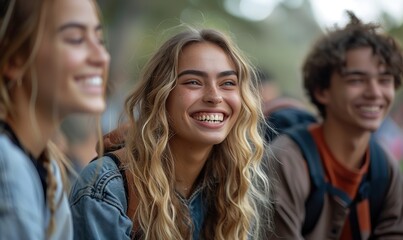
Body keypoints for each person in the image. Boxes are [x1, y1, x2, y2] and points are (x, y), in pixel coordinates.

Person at [69, 28, 272, 239]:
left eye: (228, 83)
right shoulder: (107, 186)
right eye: (193, 81)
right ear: (160, 95)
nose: (215, 96)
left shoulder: (232, 185)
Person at [270, 11, 403, 239]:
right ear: (322, 91)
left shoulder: (384, 169)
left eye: (385, 80)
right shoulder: (287, 161)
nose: (375, 93)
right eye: (357, 80)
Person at [0, 0, 109, 239]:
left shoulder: (50, 170)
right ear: (15, 58)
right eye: (75, 39)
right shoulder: (7, 167)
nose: (101, 56)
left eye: (100, 40)